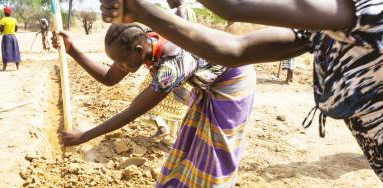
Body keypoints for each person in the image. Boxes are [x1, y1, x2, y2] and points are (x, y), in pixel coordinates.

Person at [98, 0, 383, 181]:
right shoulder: (323, 27)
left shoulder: (366, 12)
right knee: (191, 143)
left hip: (227, 89)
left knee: (214, 154)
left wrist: (141, 10)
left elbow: (233, 7)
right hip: (373, 146)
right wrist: (139, 10)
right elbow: (236, 48)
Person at [53, 24, 256, 187]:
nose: (120, 67)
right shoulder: (141, 40)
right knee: (191, 142)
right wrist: (72, 50)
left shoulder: (172, 64)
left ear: (139, 50)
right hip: (206, 82)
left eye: (122, 62)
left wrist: (85, 136)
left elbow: (133, 110)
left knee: (214, 152)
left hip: (232, 81)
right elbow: (109, 78)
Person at [140, 0, 198, 138]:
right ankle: (176, 134)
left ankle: (164, 128)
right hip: (186, 60)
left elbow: (179, 40)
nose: (167, 2)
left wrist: (161, 62)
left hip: (177, 61)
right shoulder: (189, 9)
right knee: (178, 99)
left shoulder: (181, 11)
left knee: (147, 89)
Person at [0, 7, 20, 71]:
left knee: (5, 51)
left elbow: (1, 29)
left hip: (6, 37)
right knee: (15, 51)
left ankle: (4, 67)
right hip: (13, 37)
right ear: (10, 13)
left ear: (5, 13)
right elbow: (16, 29)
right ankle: (17, 67)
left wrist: (1, 30)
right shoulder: (14, 20)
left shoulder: (3, 20)